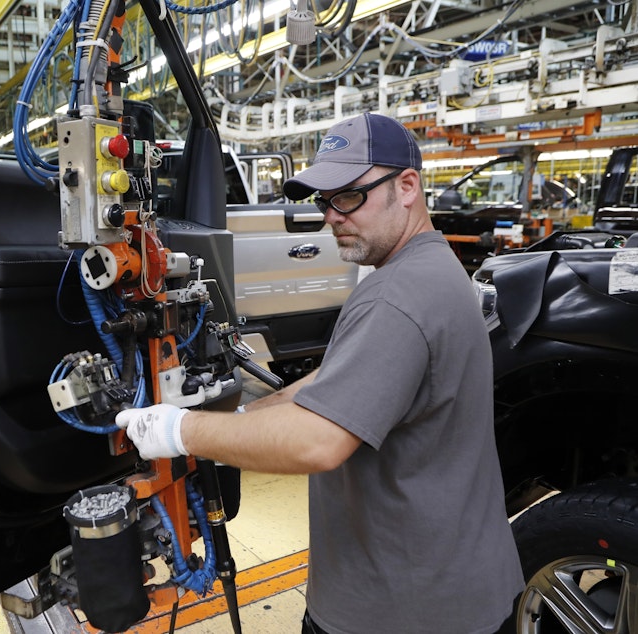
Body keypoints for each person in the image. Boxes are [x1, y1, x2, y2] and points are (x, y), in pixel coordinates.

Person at [116, 112, 524, 634]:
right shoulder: (433, 269)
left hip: (401, 612)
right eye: (324, 200)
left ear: (406, 187)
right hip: (453, 583)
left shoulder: (396, 298)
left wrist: (174, 431)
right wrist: (243, 417)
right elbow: (332, 383)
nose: (331, 216)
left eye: (348, 196)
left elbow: (317, 443)